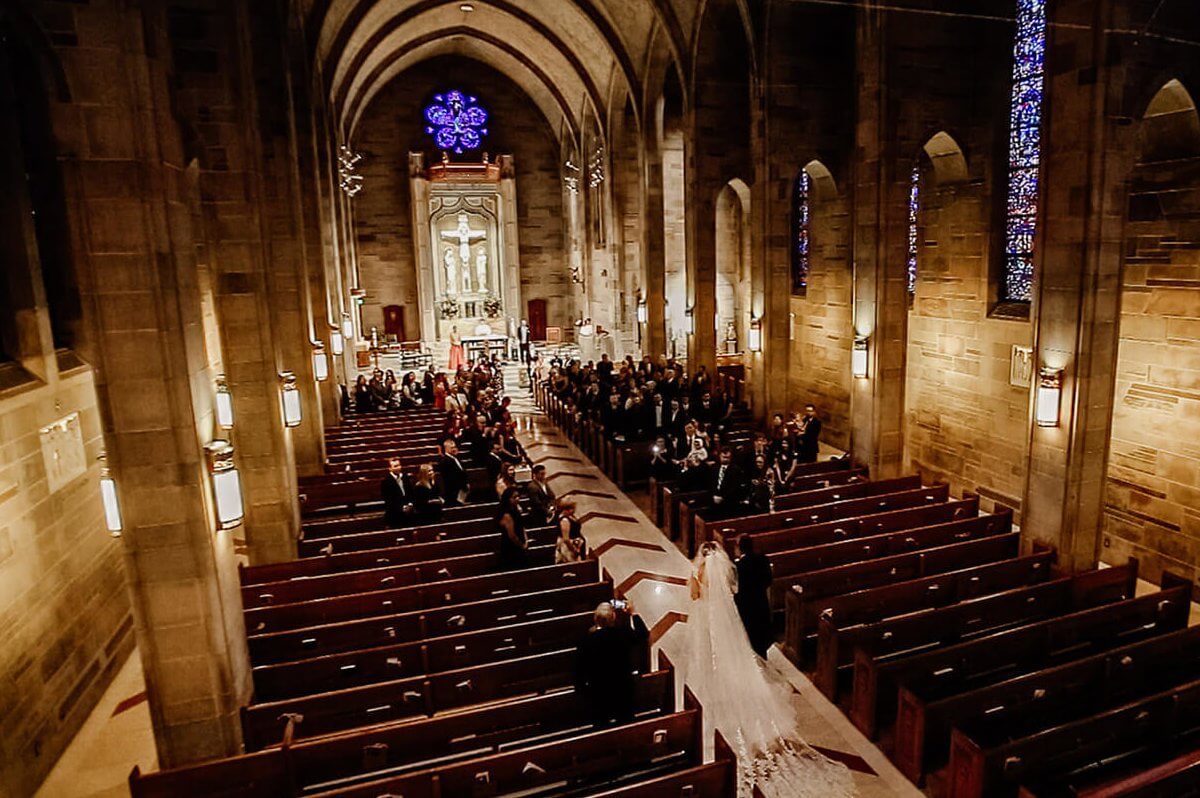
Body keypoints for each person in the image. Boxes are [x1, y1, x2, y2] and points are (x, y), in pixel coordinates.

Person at [686, 543, 856, 798]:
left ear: (701, 556)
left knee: (708, 662)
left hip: (706, 623)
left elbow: (694, 596)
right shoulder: (724, 571)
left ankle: (710, 705)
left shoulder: (697, 573)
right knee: (731, 660)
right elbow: (732, 592)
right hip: (724, 625)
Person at [574, 601, 649, 728]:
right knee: (626, 723)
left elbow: (578, 670)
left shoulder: (586, 641)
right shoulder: (623, 633)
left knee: (601, 725)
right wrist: (633, 613)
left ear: (595, 619)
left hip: (599, 694)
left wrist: (582, 690)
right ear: (613, 617)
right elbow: (643, 634)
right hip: (624, 690)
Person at [734, 534, 775, 658]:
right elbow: (768, 580)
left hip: (747, 608)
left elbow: (738, 589)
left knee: (750, 638)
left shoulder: (739, 566)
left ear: (739, 548)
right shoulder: (763, 559)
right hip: (761, 603)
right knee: (760, 638)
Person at [496, 487, 527, 569]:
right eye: (514, 497)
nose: (518, 499)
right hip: (511, 547)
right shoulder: (506, 514)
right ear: (508, 499)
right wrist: (521, 545)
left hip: (520, 542)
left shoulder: (516, 510)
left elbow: (522, 526)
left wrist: (526, 540)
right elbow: (511, 535)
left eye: (518, 496)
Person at [380, 457, 414, 527]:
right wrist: (401, 507)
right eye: (395, 466)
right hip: (395, 513)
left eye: (399, 465)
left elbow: (410, 492)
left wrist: (410, 503)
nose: (398, 468)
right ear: (390, 468)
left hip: (408, 511)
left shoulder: (405, 477)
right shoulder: (386, 481)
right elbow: (388, 499)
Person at [439, 438, 470, 505]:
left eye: (455, 447)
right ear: (446, 448)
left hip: (460, 491)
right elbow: (451, 478)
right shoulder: (445, 461)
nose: (454, 449)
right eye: (452, 447)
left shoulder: (455, 458)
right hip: (453, 492)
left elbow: (462, 471)